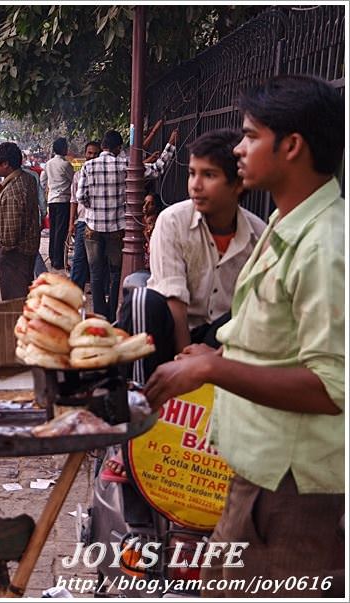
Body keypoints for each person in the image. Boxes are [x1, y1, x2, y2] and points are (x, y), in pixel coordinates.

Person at [145, 75, 344, 597]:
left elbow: (333, 387)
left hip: (293, 491)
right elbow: (276, 340)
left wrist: (212, 368)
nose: (239, 148)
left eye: (251, 135)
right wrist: (216, 350)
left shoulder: (325, 246)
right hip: (262, 477)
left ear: (292, 146)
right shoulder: (287, 221)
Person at [117, 128, 267, 382]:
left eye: (209, 175)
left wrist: (213, 358)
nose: (195, 185)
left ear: (238, 184)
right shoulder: (172, 221)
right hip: (169, 331)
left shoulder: (258, 235)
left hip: (220, 344)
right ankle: (141, 393)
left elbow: (250, 316)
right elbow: (175, 300)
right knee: (143, 300)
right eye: (192, 173)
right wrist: (185, 363)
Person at [77, 128, 177, 321]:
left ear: (103, 146)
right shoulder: (124, 164)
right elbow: (157, 169)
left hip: (92, 229)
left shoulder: (88, 167)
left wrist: (95, 209)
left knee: (96, 274)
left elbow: (82, 197)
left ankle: (99, 314)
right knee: (115, 274)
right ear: (118, 148)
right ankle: (113, 312)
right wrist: (170, 145)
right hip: (116, 230)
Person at [0, 141, 41, 300]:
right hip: (26, 249)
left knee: (14, 300)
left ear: (6, 164)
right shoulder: (28, 179)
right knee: (21, 296)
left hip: (14, 254)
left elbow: (10, 235)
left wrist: (2, 250)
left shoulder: (13, 190)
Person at [68, 140, 101, 292]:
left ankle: (98, 290)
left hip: (99, 221)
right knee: (79, 259)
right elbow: (74, 200)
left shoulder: (104, 174)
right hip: (82, 221)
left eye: (95, 153)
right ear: (85, 154)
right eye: (89, 153)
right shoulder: (77, 176)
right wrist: (71, 224)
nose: (92, 156)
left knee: (97, 261)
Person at [40, 137, 74, 271]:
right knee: (61, 231)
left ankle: (53, 256)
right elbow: (73, 180)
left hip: (52, 200)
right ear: (63, 149)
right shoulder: (66, 165)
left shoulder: (48, 164)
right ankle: (58, 260)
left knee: (53, 230)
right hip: (63, 201)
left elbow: (43, 181)